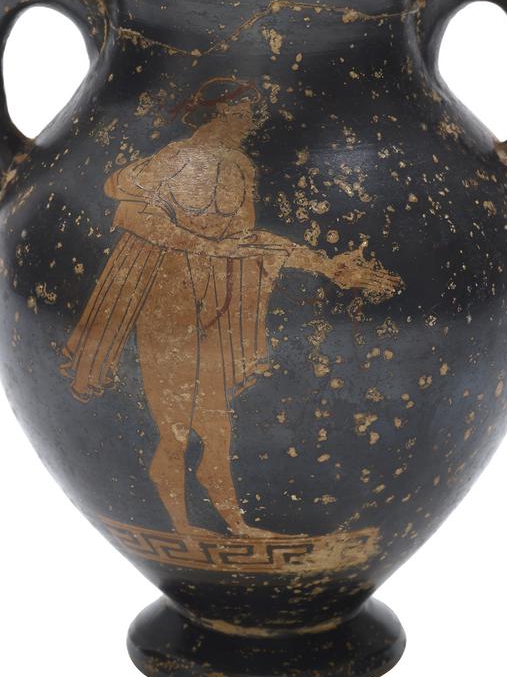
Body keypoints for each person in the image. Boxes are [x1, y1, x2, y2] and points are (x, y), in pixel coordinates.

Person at [61, 80, 399, 537]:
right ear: (216, 115)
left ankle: (235, 524)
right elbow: (129, 208)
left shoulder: (239, 167)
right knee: (175, 428)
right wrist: (209, 247)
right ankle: (182, 529)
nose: (250, 122)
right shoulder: (176, 159)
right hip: (169, 303)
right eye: (242, 113)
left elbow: (247, 241)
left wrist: (326, 266)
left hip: (214, 302)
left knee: (217, 427)